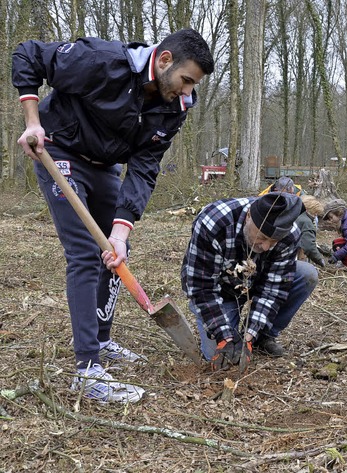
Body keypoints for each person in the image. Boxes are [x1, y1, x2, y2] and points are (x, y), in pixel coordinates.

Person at [12, 29, 214, 403]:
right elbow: (29, 54)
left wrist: (121, 230)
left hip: (105, 165)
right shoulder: (103, 61)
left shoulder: (175, 107)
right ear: (165, 60)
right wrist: (31, 120)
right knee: (87, 253)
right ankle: (86, 372)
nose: (187, 92)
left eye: (193, 86)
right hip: (60, 153)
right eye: (186, 81)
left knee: (116, 251)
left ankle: (102, 341)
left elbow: (145, 165)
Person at [181, 193, 318, 370]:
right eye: (261, 237)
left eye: (273, 241)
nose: (266, 247)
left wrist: (250, 334)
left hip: (258, 280)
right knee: (219, 358)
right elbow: (201, 286)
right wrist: (224, 335)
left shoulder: (290, 234)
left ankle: (264, 335)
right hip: (221, 290)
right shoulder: (214, 222)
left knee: (306, 274)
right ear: (248, 216)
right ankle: (229, 331)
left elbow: (273, 289)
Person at [296, 195, 326, 267]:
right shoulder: (306, 222)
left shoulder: (294, 215)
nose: (315, 216)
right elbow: (309, 247)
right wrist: (319, 260)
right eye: (315, 213)